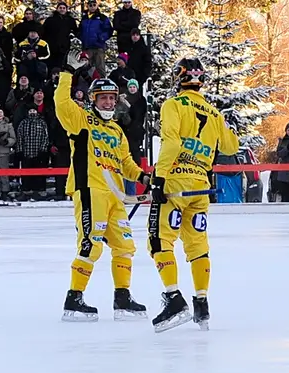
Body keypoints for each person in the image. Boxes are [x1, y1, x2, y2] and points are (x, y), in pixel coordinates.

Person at [54, 41, 150, 322]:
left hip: (115, 195)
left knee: (125, 246)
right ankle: (74, 300)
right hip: (89, 190)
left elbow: (127, 165)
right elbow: (61, 104)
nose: (108, 102)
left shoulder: (117, 131)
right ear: (93, 100)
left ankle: (122, 299)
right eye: (102, 98)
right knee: (90, 244)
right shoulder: (81, 121)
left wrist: (145, 177)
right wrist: (67, 72)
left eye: (111, 98)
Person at [148, 58, 239, 333]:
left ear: (180, 77)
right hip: (201, 184)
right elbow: (231, 146)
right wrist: (226, 125)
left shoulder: (173, 104)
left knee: (159, 239)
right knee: (197, 244)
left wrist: (159, 178)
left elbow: (172, 141)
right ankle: (202, 302)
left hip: (175, 181)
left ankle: (174, 299)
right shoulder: (213, 112)